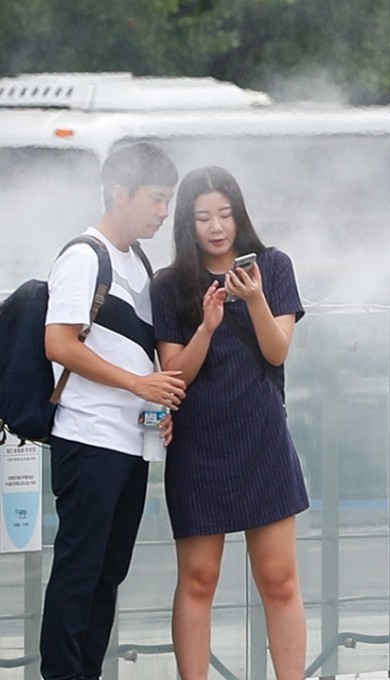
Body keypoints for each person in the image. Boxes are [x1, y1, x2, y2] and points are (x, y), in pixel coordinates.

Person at [150, 166, 308, 680]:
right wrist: (208, 325)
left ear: (240, 214)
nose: (217, 227)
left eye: (225, 214)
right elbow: (174, 375)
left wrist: (255, 298)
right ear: (186, 224)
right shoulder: (170, 285)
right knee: (198, 579)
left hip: (261, 438)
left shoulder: (273, 266)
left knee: (280, 579)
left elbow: (277, 351)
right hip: (199, 444)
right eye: (202, 217)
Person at [41, 142, 186, 680]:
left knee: (107, 573)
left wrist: (154, 403)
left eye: (168, 199)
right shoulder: (85, 255)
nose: (163, 211)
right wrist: (138, 384)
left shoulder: (138, 261)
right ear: (120, 193)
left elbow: (133, 351)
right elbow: (59, 343)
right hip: (89, 438)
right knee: (80, 572)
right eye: (156, 198)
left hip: (129, 442)